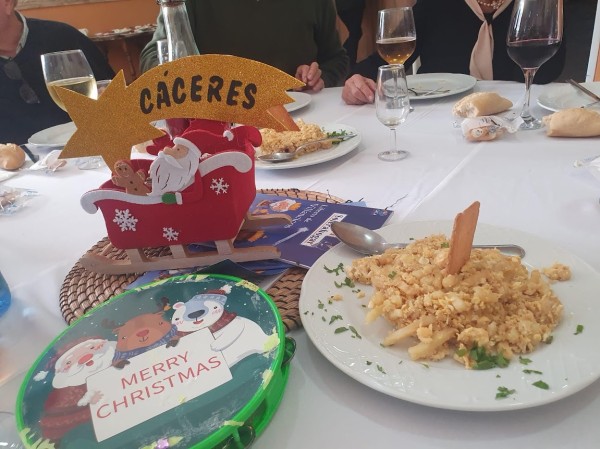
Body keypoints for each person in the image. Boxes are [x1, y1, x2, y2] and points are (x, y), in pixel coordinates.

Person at [342, 0, 567, 105]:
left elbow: (548, 71)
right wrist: (358, 81)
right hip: (439, 123)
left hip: (516, 115)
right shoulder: (436, 4)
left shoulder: (536, 6)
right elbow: (389, 60)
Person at [140, 0, 349, 92]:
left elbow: (336, 59)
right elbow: (152, 57)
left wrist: (320, 77)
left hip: (304, 122)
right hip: (219, 125)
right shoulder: (190, 2)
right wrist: (188, 76)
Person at [0, 0, 115, 144]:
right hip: (13, 157)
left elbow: (115, 96)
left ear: (7, 3)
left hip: (89, 149)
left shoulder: (63, 38)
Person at [336, 0, 366, 68]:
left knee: (355, 33)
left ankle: (344, 61)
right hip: (352, 4)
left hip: (340, 6)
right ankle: (346, 63)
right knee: (355, 34)